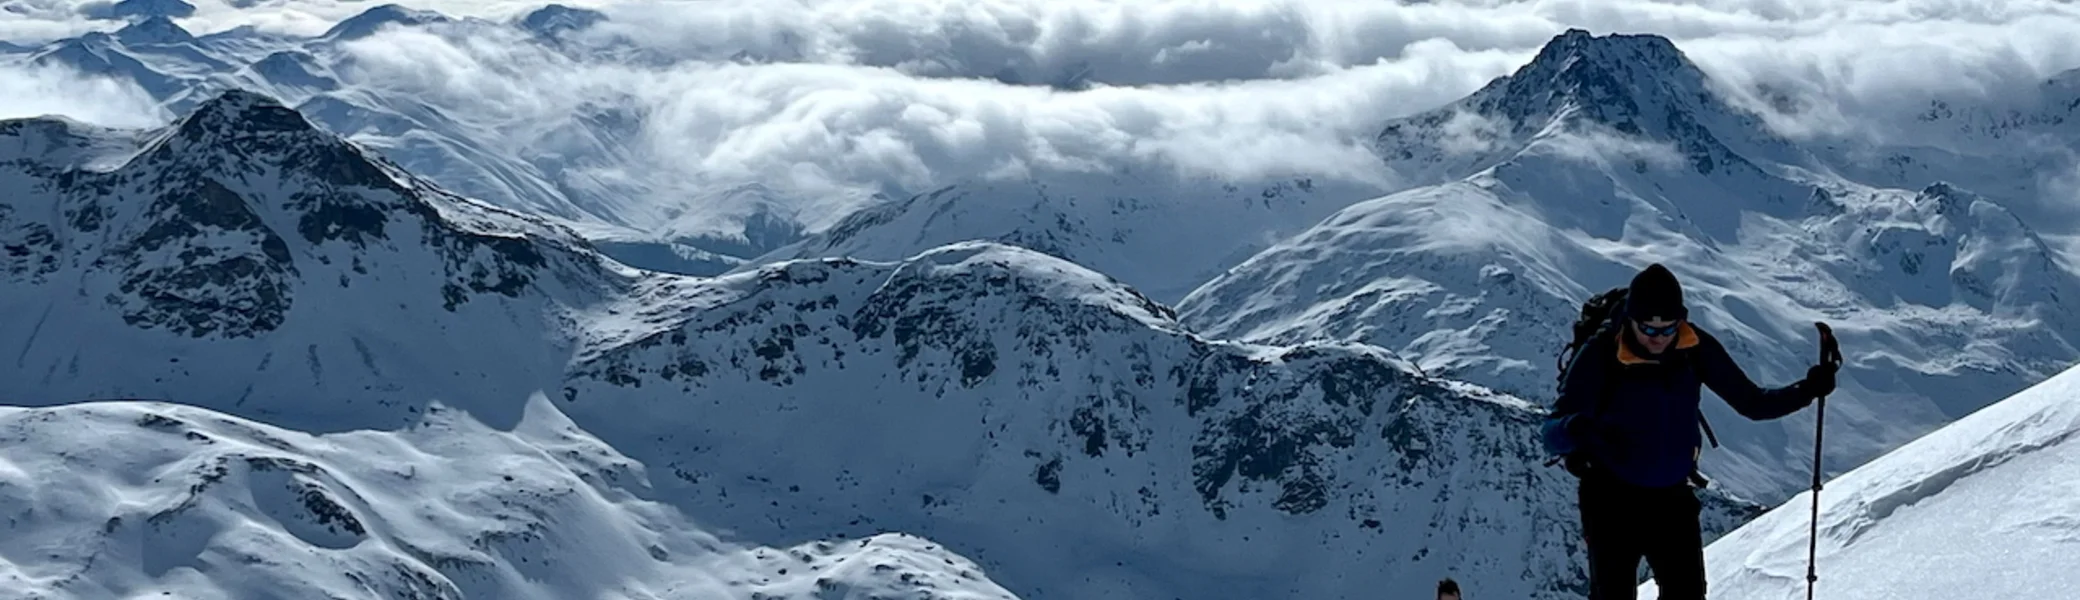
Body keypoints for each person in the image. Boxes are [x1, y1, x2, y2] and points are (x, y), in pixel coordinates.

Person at [1540, 263, 1837, 600]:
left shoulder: (1693, 346)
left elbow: (1753, 403)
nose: (1658, 338)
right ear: (1630, 320)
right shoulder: (1601, 352)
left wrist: (1808, 389)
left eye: (1667, 328)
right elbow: (1550, 433)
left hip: (1671, 497)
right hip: (1611, 499)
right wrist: (1575, 429)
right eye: (1648, 329)